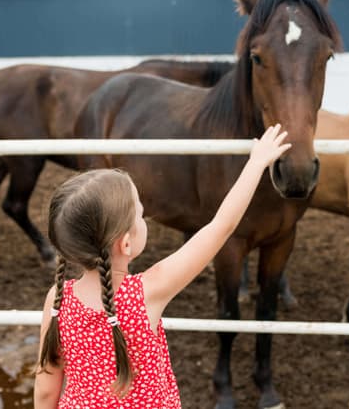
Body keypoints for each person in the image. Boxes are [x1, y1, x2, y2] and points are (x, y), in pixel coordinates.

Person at [33, 124, 291, 408]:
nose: (145, 219)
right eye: (141, 215)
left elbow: (46, 389)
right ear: (126, 244)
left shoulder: (57, 299)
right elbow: (221, 226)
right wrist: (256, 163)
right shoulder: (147, 292)